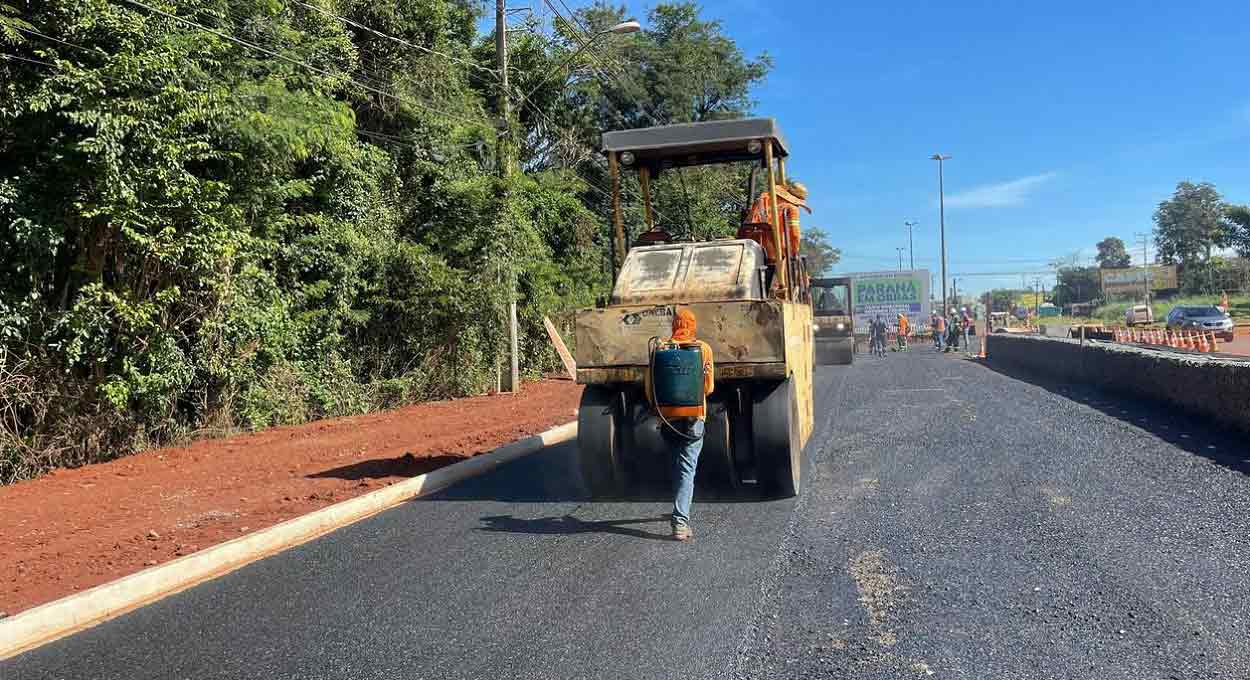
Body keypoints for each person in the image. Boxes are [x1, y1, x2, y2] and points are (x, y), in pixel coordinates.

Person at [647, 308, 714, 542]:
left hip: (667, 419)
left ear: (674, 325)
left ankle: (680, 509)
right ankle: (680, 522)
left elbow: (649, 389)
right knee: (687, 469)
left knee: (678, 466)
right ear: (692, 325)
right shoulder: (703, 349)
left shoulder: (659, 349)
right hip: (694, 420)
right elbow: (709, 388)